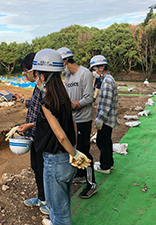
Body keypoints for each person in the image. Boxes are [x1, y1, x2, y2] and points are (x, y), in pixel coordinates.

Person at [31, 48, 91, 225]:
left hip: (55, 161)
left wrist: (74, 153)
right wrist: (75, 150)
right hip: (67, 161)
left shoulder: (47, 101)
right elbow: (71, 124)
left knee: (57, 210)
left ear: (43, 76)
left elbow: (60, 135)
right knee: (64, 204)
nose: (36, 79)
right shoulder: (64, 97)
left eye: (37, 75)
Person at [57, 47, 97, 199]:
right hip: (73, 119)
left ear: (66, 61)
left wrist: (75, 104)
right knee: (75, 149)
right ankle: (80, 175)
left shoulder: (85, 73)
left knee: (84, 151)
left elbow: (89, 97)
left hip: (84, 119)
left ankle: (92, 184)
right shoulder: (67, 77)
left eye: (60, 64)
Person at [13, 53, 50, 215]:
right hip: (34, 135)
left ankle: (49, 202)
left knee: (44, 169)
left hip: (43, 136)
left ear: (33, 70)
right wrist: (22, 101)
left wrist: (30, 124)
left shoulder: (47, 88)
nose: (25, 74)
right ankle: (41, 198)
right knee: (36, 167)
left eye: (25, 71)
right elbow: (35, 106)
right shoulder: (38, 85)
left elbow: (50, 118)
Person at [89, 55, 118, 174]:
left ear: (101, 67)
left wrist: (100, 119)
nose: (94, 72)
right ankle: (109, 163)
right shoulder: (108, 79)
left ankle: (105, 166)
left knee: (102, 141)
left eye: (94, 69)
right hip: (109, 118)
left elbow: (106, 103)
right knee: (106, 140)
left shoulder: (107, 81)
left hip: (106, 119)